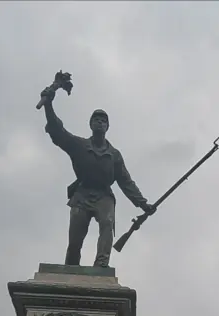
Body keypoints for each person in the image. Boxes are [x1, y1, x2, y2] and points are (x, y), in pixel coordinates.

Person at [40, 86, 155, 267]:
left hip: (104, 196)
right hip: (82, 195)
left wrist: (142, 203)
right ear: (91, 124)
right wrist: (48, 105)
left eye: (103, 120)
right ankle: (71, 269)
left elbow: (126, 182)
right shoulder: (79, 145)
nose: (100, 122)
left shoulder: (114, 155)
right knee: (75, 242)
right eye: (96, 120)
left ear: (107, 126)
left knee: (107, 224)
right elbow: (58, 132)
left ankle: (101, 265)